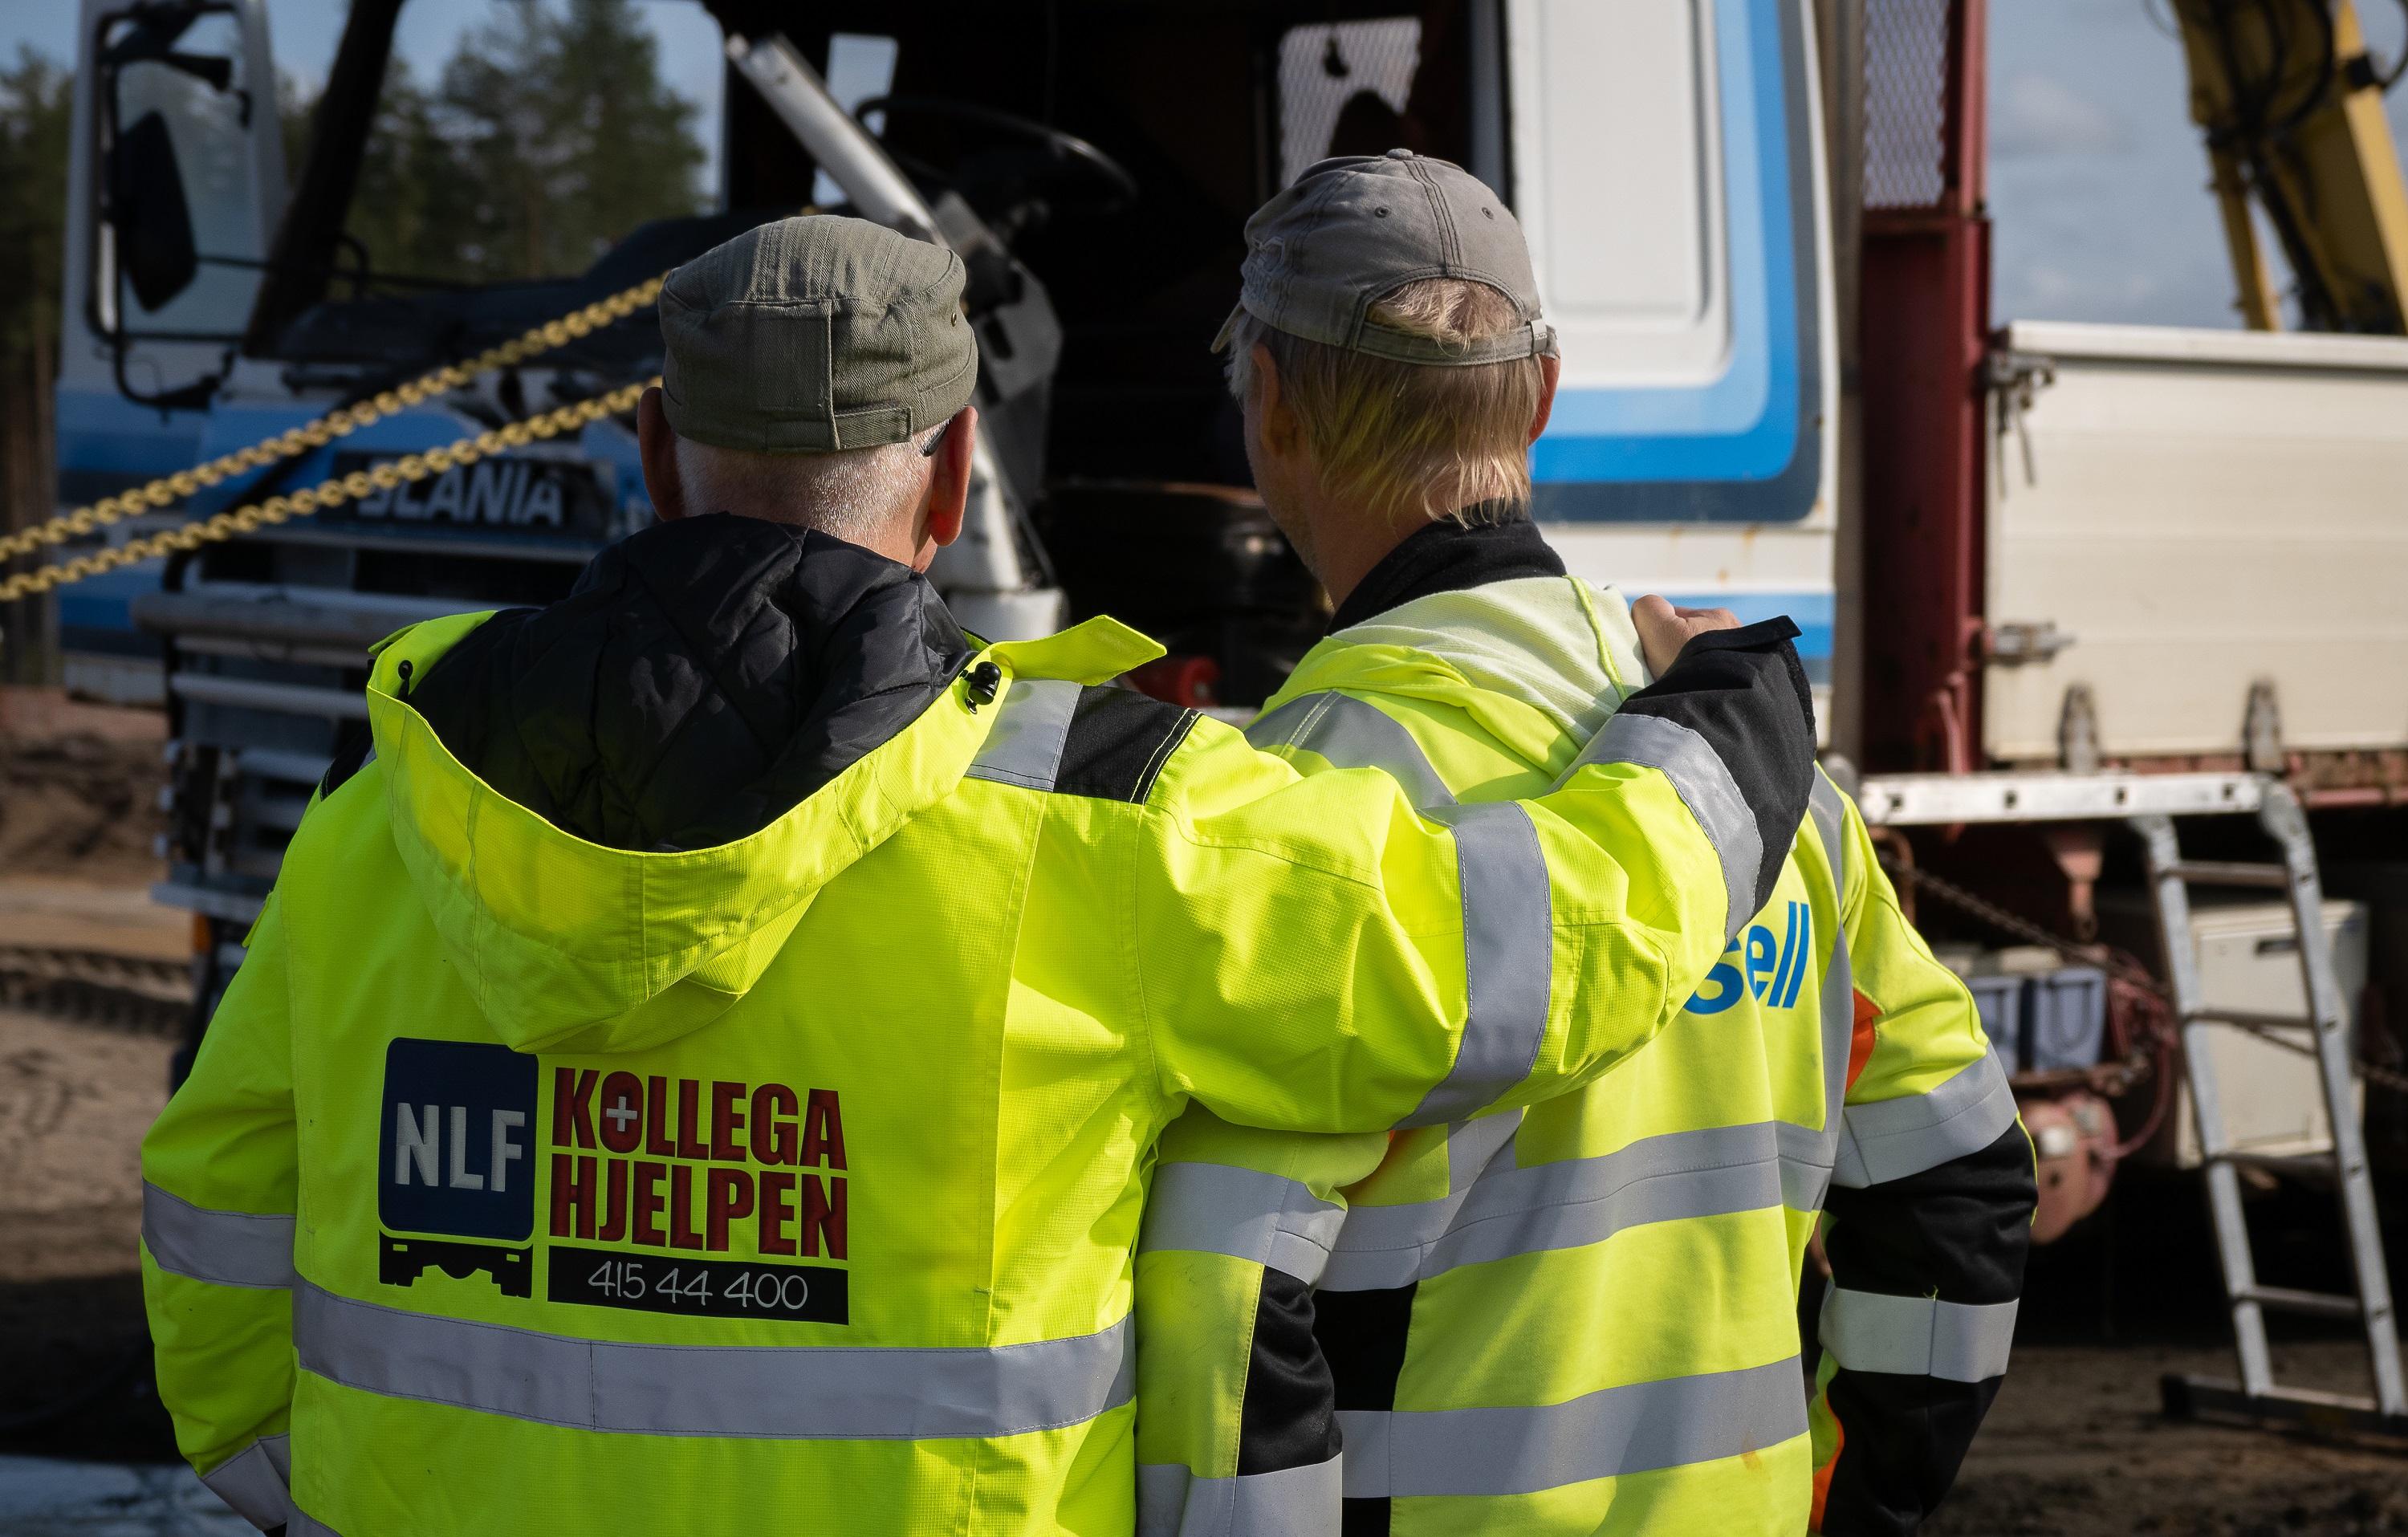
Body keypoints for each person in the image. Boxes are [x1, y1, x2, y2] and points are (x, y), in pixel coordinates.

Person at [136, 213, 1818, 1536]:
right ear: (952, 474)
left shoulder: (389, 799)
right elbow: (1517, 960)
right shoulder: (1104, 816)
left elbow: (215, 1222)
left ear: (651, 449)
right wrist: (1723, 731)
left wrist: (346, 1491)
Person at [1133, 152, 2036, 1537]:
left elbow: (1226, 1292)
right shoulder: (1763, 776)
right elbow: (1955, 1177)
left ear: (1271, 404)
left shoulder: (1295, 802)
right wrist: (1846, 1509)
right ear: (1544, 395)